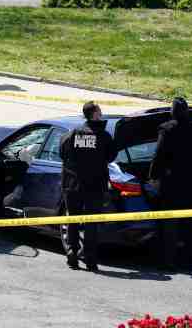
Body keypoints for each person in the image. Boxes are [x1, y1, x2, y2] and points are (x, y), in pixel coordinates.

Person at [149, 97, 192, 268]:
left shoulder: (167, 129)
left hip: (171, 184)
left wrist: (153, 175)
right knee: (191, 224)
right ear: (187, 111)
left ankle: (169, 261)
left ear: (172, 112)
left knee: (170, 224)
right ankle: (191, 260)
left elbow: (158, 155)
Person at [59, 101, 118, 272]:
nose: (102, 113)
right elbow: (111, 156)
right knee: (91, 223)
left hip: (72, 185)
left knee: (73, 220)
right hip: (94, 186)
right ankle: (90, 259)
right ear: (95, 114)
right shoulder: (103, 136)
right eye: (100, 111)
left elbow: (62, 154)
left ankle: (72, 254)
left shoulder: (72, 134)